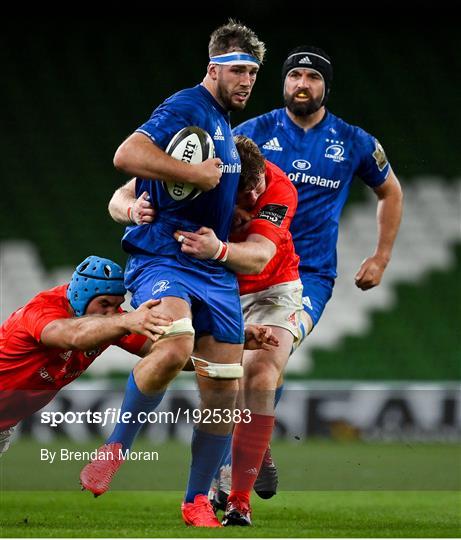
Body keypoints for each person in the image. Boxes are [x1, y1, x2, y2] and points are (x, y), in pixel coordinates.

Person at [79, 20, 266, 528]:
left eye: (252, 71)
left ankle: (196, 500)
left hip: (212, 268)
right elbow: (127, 155)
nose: (246, 80)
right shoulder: (188, 106)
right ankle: (116, 448)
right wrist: (192, 176)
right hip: (164, 256)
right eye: (237, 70)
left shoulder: (225, 124)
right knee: (177, 340)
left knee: (225, 383)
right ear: (213, 69)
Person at [104, 135, 302, 526]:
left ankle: (238, 501)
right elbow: (119, 197)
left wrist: (219, 249)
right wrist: (132, 207)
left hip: (269, 287)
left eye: (257, 187)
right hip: (210, 284)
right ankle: (242, 453)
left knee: (260, 376)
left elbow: (260, 258)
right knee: (208, 374)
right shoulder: (195, 179)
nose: (253, 200)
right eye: (243, 196)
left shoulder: (278, 187)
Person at [232, 45, 403, 494]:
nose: (301, 84)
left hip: (309, 275)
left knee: (268, 357)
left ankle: (242, 463)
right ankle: (257, 443)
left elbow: (391, 192)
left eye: (311, 77)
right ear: (284, 83)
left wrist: (381, 257)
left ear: (326, 86)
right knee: (242, 367)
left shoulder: (354, 141)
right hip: (251, 266)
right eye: (294, 76)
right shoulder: (252, 132)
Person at [0, 255, 172, 456]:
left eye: (116, 305)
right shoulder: (41, 309)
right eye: (104, 303)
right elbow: (72, 335)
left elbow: (166, 351)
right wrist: (125, 321)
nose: (111, 312)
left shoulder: (112, 321)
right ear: (82, 296)